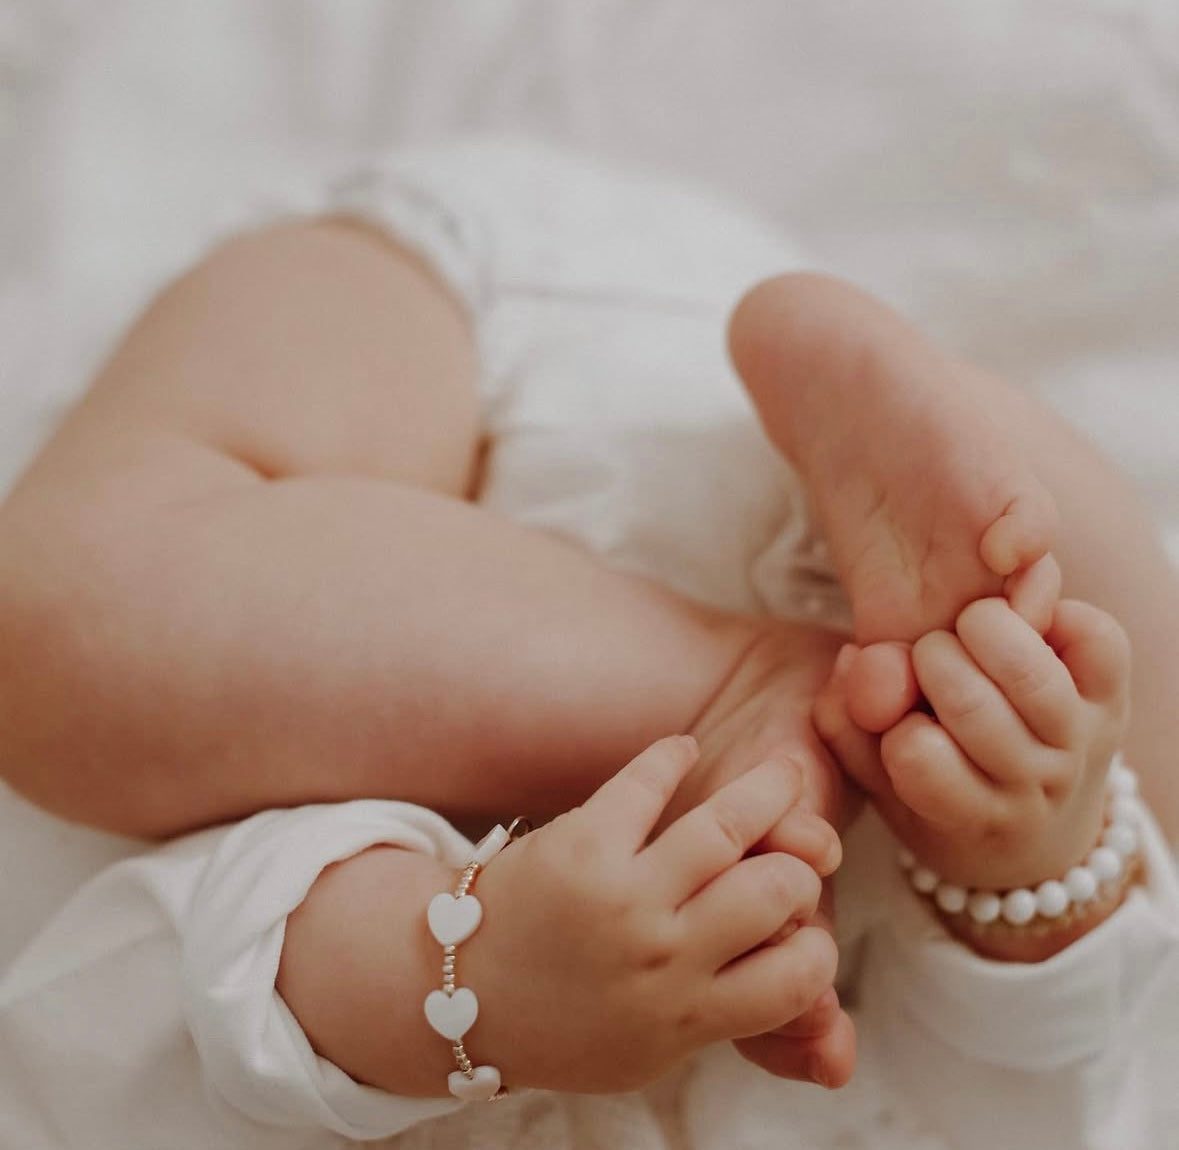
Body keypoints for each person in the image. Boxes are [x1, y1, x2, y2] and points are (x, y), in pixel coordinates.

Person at [0, 142, 1175, 1149]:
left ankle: (783, 661)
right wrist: (1026, 876)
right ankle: (970, 610)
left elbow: (132, 1006)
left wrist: (467, 990)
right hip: (869, 766)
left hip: (389, 574)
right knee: (1118, 732)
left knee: (74, 640)